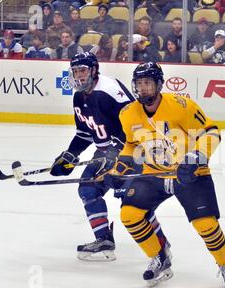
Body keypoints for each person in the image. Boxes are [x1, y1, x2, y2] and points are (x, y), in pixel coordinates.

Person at [103, 62, 225, 288]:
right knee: (129, 214)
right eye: (139, 84)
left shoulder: (180, 106)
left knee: (205, 224)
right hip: (153, 174)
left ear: (158, 84)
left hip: (189, 173)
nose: (143, 88)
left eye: (147, 83)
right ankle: (159, 257)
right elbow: (130, 144)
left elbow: (211, 132)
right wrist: (119, 169)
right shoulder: (127, 113)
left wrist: (195, 157)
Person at [49, 52, 169, 261]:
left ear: (94, 70)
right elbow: (86, 132)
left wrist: (117, 152)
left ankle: (161, 245)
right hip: (105, 154)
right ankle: (104, 240)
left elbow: (137, 122)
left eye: (83, 70)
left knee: (132, 201)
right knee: (88, 189)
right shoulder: (78, 96)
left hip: (133, 152)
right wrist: (71, 154)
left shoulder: (109, 90)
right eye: (75, 71)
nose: (78, 76)